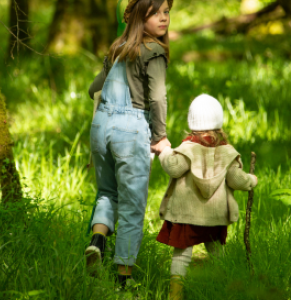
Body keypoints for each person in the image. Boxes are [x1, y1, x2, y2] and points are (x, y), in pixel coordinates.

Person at [85, 0, 173, 288]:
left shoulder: (118, 48)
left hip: (101, 126)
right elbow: (158, 98)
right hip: (130, 128)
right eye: (155, 13)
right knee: (133, 207)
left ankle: (97, 242)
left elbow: (93, 89)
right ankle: (124, 281)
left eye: (166, 12)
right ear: (139, 17)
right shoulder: (155, 51)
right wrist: (159, 137)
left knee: (107, 192)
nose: (163, 18)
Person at [156, 94, 258, 300]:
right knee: (217, 251)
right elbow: (237, 180)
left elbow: (174, 168)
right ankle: (225, 288)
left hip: (187, 214)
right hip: (215, 215)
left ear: (192, 123)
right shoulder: (227, 152)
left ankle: (175, 295)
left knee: (182, 254)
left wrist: (165, 151)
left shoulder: (187, 149)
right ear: (218, 124)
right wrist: (251, 180)